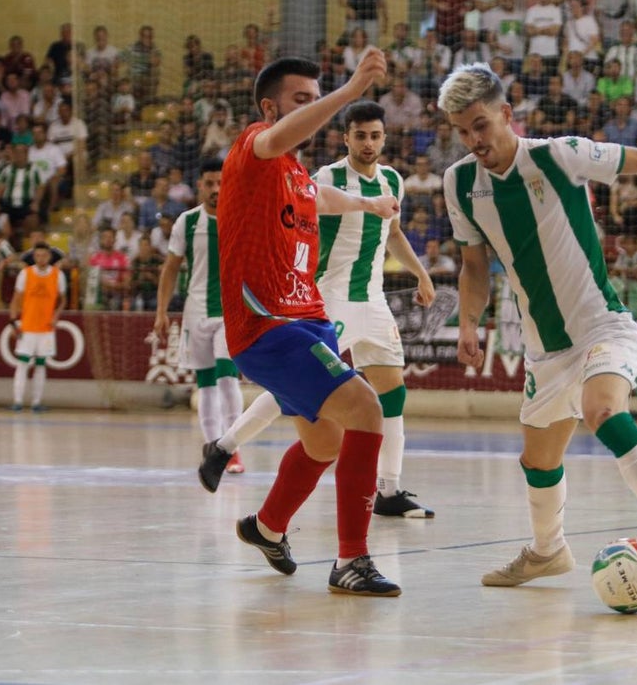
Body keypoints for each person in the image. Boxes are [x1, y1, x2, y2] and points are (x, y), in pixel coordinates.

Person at [437, 63, 637, 588]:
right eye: (461, 130)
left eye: (480, 125)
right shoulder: (459, 184)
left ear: (506, 114)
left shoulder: (557, 155)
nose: (472, 139)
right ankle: (547, 552)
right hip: (544, 351)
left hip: (602, 329)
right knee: (537, 461)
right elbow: (475, 265)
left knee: (603, 410)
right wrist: (469, 323)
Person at [202, 49, 401, 596]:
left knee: (324, 442)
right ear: (270, 108)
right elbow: (276, 139)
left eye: (316, 100)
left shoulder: (294, 173)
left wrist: (369, 205)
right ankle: (351, 561)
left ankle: (265, 527)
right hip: (268, 324)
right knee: (366, 408)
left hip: (307, 319)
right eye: (302, 101)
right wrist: (350, 90)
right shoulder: (254, 146)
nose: (313, 110)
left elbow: (322, 197)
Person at [201, 100, 439, 520]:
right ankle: (225, 445)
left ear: (385, 138)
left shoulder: (392, 181)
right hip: (330, 299)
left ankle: (389, 489)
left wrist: (421, 273)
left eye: (375, 135)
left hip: (375, 300)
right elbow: (295, 218)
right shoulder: (326, 176)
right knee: (298, 387)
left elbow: (394, 233)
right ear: (345, 137)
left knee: (393, 391)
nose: (368, 143)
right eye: (360, 135)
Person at [154, 160, 246, 477]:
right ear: (200, 186)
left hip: (231, 312)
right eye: (209, 183)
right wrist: (161, 311)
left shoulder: (241, 216)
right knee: (205, 385)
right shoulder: (187, 222)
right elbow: (170, 269)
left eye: (221, 182)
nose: (216, 189)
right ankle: (212, 448)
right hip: (196, 312)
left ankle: (232, 448)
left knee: (226, 377)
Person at [9, 241, 66, 412]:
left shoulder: (58, 275)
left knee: (41, 364)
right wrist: (13, 322)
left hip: (46, 328)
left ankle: (36, 402)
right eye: (38, 256)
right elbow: (16, 299)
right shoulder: (25, 274)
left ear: (49, 256)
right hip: (27, 326)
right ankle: (18, 401)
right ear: (34, 257)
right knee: (22, 364)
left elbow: (62, 299)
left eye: (44, 255)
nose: (41, 259)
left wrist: (56, 316)